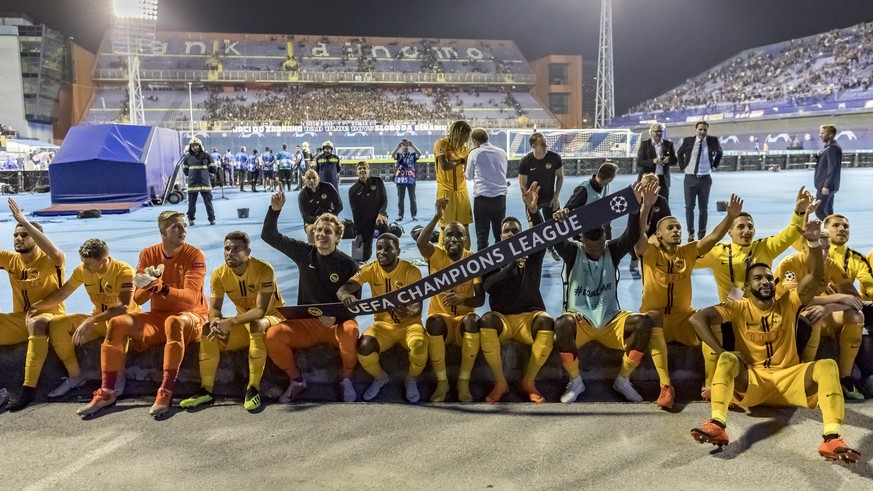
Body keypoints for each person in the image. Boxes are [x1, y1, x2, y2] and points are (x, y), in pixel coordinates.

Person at [689, 220, 861, 464]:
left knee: (827, 366)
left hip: (790, 379)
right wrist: (722, 351)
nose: (765, 281)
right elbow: (697, 319)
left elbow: (814, 277)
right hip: (753, 381)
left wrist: (812, 243)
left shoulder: (789, 301)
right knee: (727, 358)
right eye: (758, 278)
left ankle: (831, 437)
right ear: (747, 287)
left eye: (769, 277)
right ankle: (717, 423)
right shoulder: (737, 307)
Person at [77, 211, 208, 418]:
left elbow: (191, 298)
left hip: (191, 316)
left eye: (184, 226)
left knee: (174, 322)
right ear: (163, 232)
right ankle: (108, 391)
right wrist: (149, 284)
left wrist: (161, 288)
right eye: (177, 227)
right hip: (158, 317)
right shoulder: (148, 254)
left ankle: (165, 391)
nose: (184, 230)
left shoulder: (195, 255)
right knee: (118, 323)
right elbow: (137, 299)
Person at [694, 188, 812, 397]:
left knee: (803, 324)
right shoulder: (717, 252)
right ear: (729, 232)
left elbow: (790, 233)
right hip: (734, 313)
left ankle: (796, 371)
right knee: (711, 325)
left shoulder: (764, 247)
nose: (746, 230)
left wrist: (800, 212)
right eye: (740, 227)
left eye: (750, 226)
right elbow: (688, 257)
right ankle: (711, 384)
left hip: (766, 312)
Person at [553, 182, 656, 404]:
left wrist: (635, 208)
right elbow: (555, 239)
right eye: (592, 249)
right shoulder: (573, 252)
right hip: (581, 320)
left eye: (599, 247)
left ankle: (623, 379)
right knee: (562, 324)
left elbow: (630, 235)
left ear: (604, 239)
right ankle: (575, 381)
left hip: (610, 319)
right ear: (581, 240)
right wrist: (558, 220)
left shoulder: (612, 249)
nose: (597, 251)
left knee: (643, 323)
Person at [638, 194, 743, 409]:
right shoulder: (649, 252)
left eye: (678, 228)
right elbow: (638, 236)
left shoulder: (688, 252)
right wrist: (646, 208)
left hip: (682, 318)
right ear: (658, 234)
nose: (676, 230)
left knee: (709, 320)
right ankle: (665, 386)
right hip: (656, 320)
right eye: (670, 228)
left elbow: (713, 237)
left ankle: (711, 384)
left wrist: (730, 217)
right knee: (652, 316)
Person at [262, 194, 360, 403]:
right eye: (318, 230)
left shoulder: (349, 265)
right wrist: (274, 210)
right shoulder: (303, 253)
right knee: (273, 336)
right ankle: (296, 381)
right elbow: (269, 235)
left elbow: (354, 306)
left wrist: (336, 318)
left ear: (337, 238)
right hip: (307, 324)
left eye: (327, 231)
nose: (321, 234)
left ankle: (346, 381)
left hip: (336, 325)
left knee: (351, 331)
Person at [179, 231, 284, 412]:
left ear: (248, 251)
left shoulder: (264, 269)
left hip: (273, 319)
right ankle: (206, 391)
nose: (230, 253)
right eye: (227, 248)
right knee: (207, 331)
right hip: (243, 322)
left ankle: (253, 388)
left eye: (237, 249)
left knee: (256, 325)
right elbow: (215, 310)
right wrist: (214, 321)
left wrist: (231, 322)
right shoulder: (219, 274)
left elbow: (260, 311)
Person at [25, 239, 138, 402]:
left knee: (116, 323)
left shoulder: (124, 271)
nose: (84, 267)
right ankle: (75, 376)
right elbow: (62, 294)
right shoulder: (82, 271)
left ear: (103, 260)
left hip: (125, 322)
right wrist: (36, 307)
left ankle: (118, 378)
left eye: (88, 264)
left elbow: (123, 307)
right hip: (98, 319)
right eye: (83, 263)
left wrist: (90, 321)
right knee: (57, 324)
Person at [478, 183, 554, 403]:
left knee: (547, 322)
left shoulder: (533, 254)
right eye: (507, 231)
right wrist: (510, 265)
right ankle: (500, 383)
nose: (511, 234)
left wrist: (533, 210)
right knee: (486, 320)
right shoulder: (491, 257)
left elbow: (542, 235)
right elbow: (488, 286)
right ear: (499, 236)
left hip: (529, 317)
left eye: (516, 231)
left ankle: (528, 381)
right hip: (502, 319)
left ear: (522, 235)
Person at [774, 229, 865, 401]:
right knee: (814, 317)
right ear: (804, 248)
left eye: (827, 248)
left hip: (818, 308)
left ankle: (845, 378)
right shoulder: (789, 264)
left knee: (856, 315)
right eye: (819, 248)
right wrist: (837, 297)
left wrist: (830, 307)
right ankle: (804, 374)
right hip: (785, 314)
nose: (824, 253)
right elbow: (796, 300)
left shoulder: (830, 265)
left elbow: (854, 298)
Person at [338, 234, 426, 403]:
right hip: (382, 326)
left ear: (398, 251)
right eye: (379, 248)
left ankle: (411, 378)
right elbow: (343, 289)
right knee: (364, 347)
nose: (382, 252)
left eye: (388, 248)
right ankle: (380, 377)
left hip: (410, 325)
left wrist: (406, 312)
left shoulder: (411, 271)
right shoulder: (370, 269)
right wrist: (345, 296)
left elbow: (417, 308)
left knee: (419, 346)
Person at [416, 198, 485, 402]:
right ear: (442, 239)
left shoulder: (473, 260)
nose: (453, 239)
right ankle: (442, 382)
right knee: (433, 322)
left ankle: (463, 381)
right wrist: (438, 216)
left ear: (466, 240)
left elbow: (480, 300)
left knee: (474, 320)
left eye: (459, 235)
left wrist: (463, 300)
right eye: (449, 235)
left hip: (464, 322)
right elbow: (421, 243)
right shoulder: (437, 255)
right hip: (443, 321)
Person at [0, 199, 66, 411]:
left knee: (37, 323)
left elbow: (55, 251)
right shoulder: (10, 260)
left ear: (37, 239)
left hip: (50, 316)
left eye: (24, 235)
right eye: (16, 235)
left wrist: (24, 221)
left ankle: (28, 389)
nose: (18, 239)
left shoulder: (52, 260)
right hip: (19, 319)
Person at [519, 132, 564, 258]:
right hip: (534, 200)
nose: (546, 145)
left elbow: (560, 177)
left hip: (550, 198)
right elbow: (523, 186)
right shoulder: (525, 162)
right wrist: (529, 204)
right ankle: (533, 256)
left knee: (556, 226)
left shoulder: (554, 158)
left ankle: (552, 247)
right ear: (533, 145)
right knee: (534, 228)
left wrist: (556, 196)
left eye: (545, 142)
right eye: (542, 143)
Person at [677, 121, 723, 241]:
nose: (702, 132)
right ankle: (690, 232)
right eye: (700, 129)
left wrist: (714, 166)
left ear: (707, 130)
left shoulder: (713, 141)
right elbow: (679, 153)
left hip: (705, 179)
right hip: (690, 178)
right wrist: (683, 166)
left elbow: (720, 152)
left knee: (703, 208)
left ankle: (701, 234)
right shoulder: (688, 141)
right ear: (696, 130)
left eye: (704, 130)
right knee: (689, 207)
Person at [466, 127, 508, 250]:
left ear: (474, 141)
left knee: (482, 236)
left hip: (482, 199)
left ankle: (483, 268)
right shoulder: (502, 152)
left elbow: (468, 176)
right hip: (500, 198)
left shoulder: (474, 153)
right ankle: (502, 265)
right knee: (500, 235)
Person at [434, 121, 473, 247]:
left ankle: (466, 256)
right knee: (446, 227)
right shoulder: (441, 144)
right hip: (445, 191)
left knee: (464, 226)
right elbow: (444, 165)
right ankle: (442, 258)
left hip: (462, 191)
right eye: (464, 136)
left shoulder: (465, 149)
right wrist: (460, 161)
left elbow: (468, 170)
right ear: (457, 134)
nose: (466, 140)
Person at [564, 161, 620, 241]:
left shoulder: (605, 186)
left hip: (602, 230)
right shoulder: (583, 190)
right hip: (584, 235)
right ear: (609, 179)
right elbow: (567, 209)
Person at [628, 173, 671, 273]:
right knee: (635, 237)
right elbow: (631, 221)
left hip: (654, 232)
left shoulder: (661, 201)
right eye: (646, 186)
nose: (649, 189)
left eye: (653, 187)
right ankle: (634, 259)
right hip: (638, 230)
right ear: (641, 186)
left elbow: (667, 219)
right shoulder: (637, 200)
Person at [348, 161, 388, 262]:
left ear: (369, 170)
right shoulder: (352, 190)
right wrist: (359, 233)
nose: (362, 170)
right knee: (364, 257)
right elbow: (355, 213)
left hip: (379, 217)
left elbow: (384, 200)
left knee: (382, 226)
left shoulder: (378, 181)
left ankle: (386, 254)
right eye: (360, 168)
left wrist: (381, 214)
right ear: (356, 172)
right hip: (364, 222)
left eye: (364, 168)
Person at [299, 169, 343, 243]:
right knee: (311, 230)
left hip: (329, 217)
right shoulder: (302, 195)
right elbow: (305, 216)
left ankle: (332, 250)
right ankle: (312, 252)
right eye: (308, 178)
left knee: (333, 228)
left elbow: (339, 205)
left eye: (314, 178)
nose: (312, 181)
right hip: (312, 220)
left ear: (318, 178)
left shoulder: (328, 187)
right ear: (304, 181)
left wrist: (331, 217)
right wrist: (318, 220)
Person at [636, 122, 676, 200]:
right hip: (648, 179)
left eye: (660, 131)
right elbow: (639, 162)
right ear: (651, 132)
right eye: (656, 131)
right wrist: (653, 161)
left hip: (663, 180)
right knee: (646, 203)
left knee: (663, 205)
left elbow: (674, 161)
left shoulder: (669, 144)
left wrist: (668, 161)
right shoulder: (644, 144)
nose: (659, 133)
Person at [182, 137, 216, 226]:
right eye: (193, 145)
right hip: (193, 183)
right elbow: (185, 171)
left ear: (200, 146)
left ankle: (212, 219)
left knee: (208, 203)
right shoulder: (187, 157)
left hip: (204, 183)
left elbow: (213, 169)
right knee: (192, 203)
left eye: (196, 145)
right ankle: (190, 218)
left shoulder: (207, 156)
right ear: (190, 146)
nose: (195, 147)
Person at [814, 124, 842, 221]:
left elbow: (833, 168)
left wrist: (826, 185)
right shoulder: (829, 147)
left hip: (825, 186)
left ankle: (832, 228)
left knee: (819, 211)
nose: (820, 135)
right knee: (828, 210)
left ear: (830, 135)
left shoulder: (832, 148)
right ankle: (832, 232)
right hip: (828, 185)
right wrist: (818, 154)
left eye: (822, 133)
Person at [393, 138, 420, 221]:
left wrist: (412, 145)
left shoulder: (412, 155)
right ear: (402, 147)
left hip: (410, 180)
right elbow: (392, 155)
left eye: (407, 145)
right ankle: (400, 215)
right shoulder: (399, 155)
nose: (405, 147)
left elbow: (419, 154)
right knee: (400, 199)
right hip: (400, 180)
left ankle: (414, 215)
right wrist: (397, 147)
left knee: (412, 198)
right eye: (404, 145)